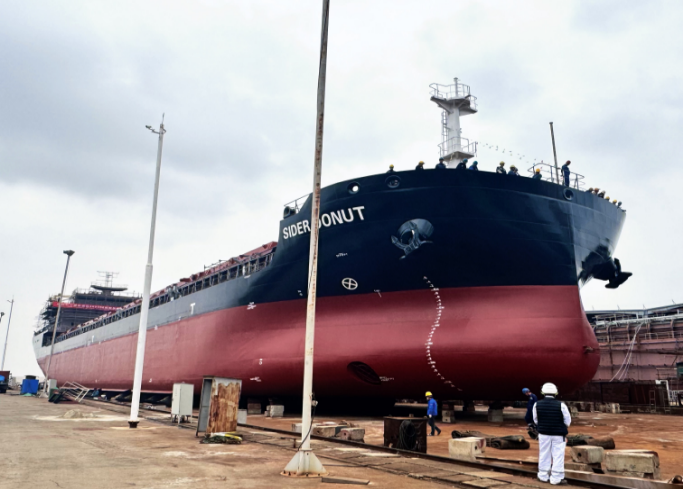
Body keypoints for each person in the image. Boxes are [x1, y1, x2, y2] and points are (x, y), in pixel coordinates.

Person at [533, 382, 571, 485]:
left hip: (543, 434)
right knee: (558, 455)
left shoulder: (537, 404)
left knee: (544, 453)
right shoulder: (561, 405)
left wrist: (543, 426)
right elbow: (567, 421)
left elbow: (536, 420)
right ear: (556, 393)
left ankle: (542, 476)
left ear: (542, 392)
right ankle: (556, 478)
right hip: (558, 434)